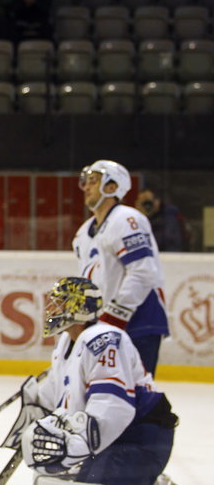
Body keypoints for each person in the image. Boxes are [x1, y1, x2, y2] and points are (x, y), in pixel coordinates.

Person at [7, 277, 176, 484]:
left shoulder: (103, 339)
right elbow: (60, 399)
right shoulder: (66, 344)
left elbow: (114, 404)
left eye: (62, 303)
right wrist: (36, 410)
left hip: (141, 434)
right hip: (113, 437)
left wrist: (79, 444)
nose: (53, 309)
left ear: (79, 307)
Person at [73, 160, 168, 375]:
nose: (86, 187)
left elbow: (143, 273)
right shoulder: (82, 233)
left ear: (112, 187)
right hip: (105, 323)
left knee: (136, 396)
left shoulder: (127, 219)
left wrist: (113, 317)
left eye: (93, 181)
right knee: (106, 394)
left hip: (139, 320)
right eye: (86, 181)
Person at [136, 187, 189, 252]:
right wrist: (141, 216)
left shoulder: (169, 216)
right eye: (142, 203)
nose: (146, 207)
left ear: (157, 201)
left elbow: (168, 242)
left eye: (148, 203)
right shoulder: (136, 217)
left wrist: (145, 219)